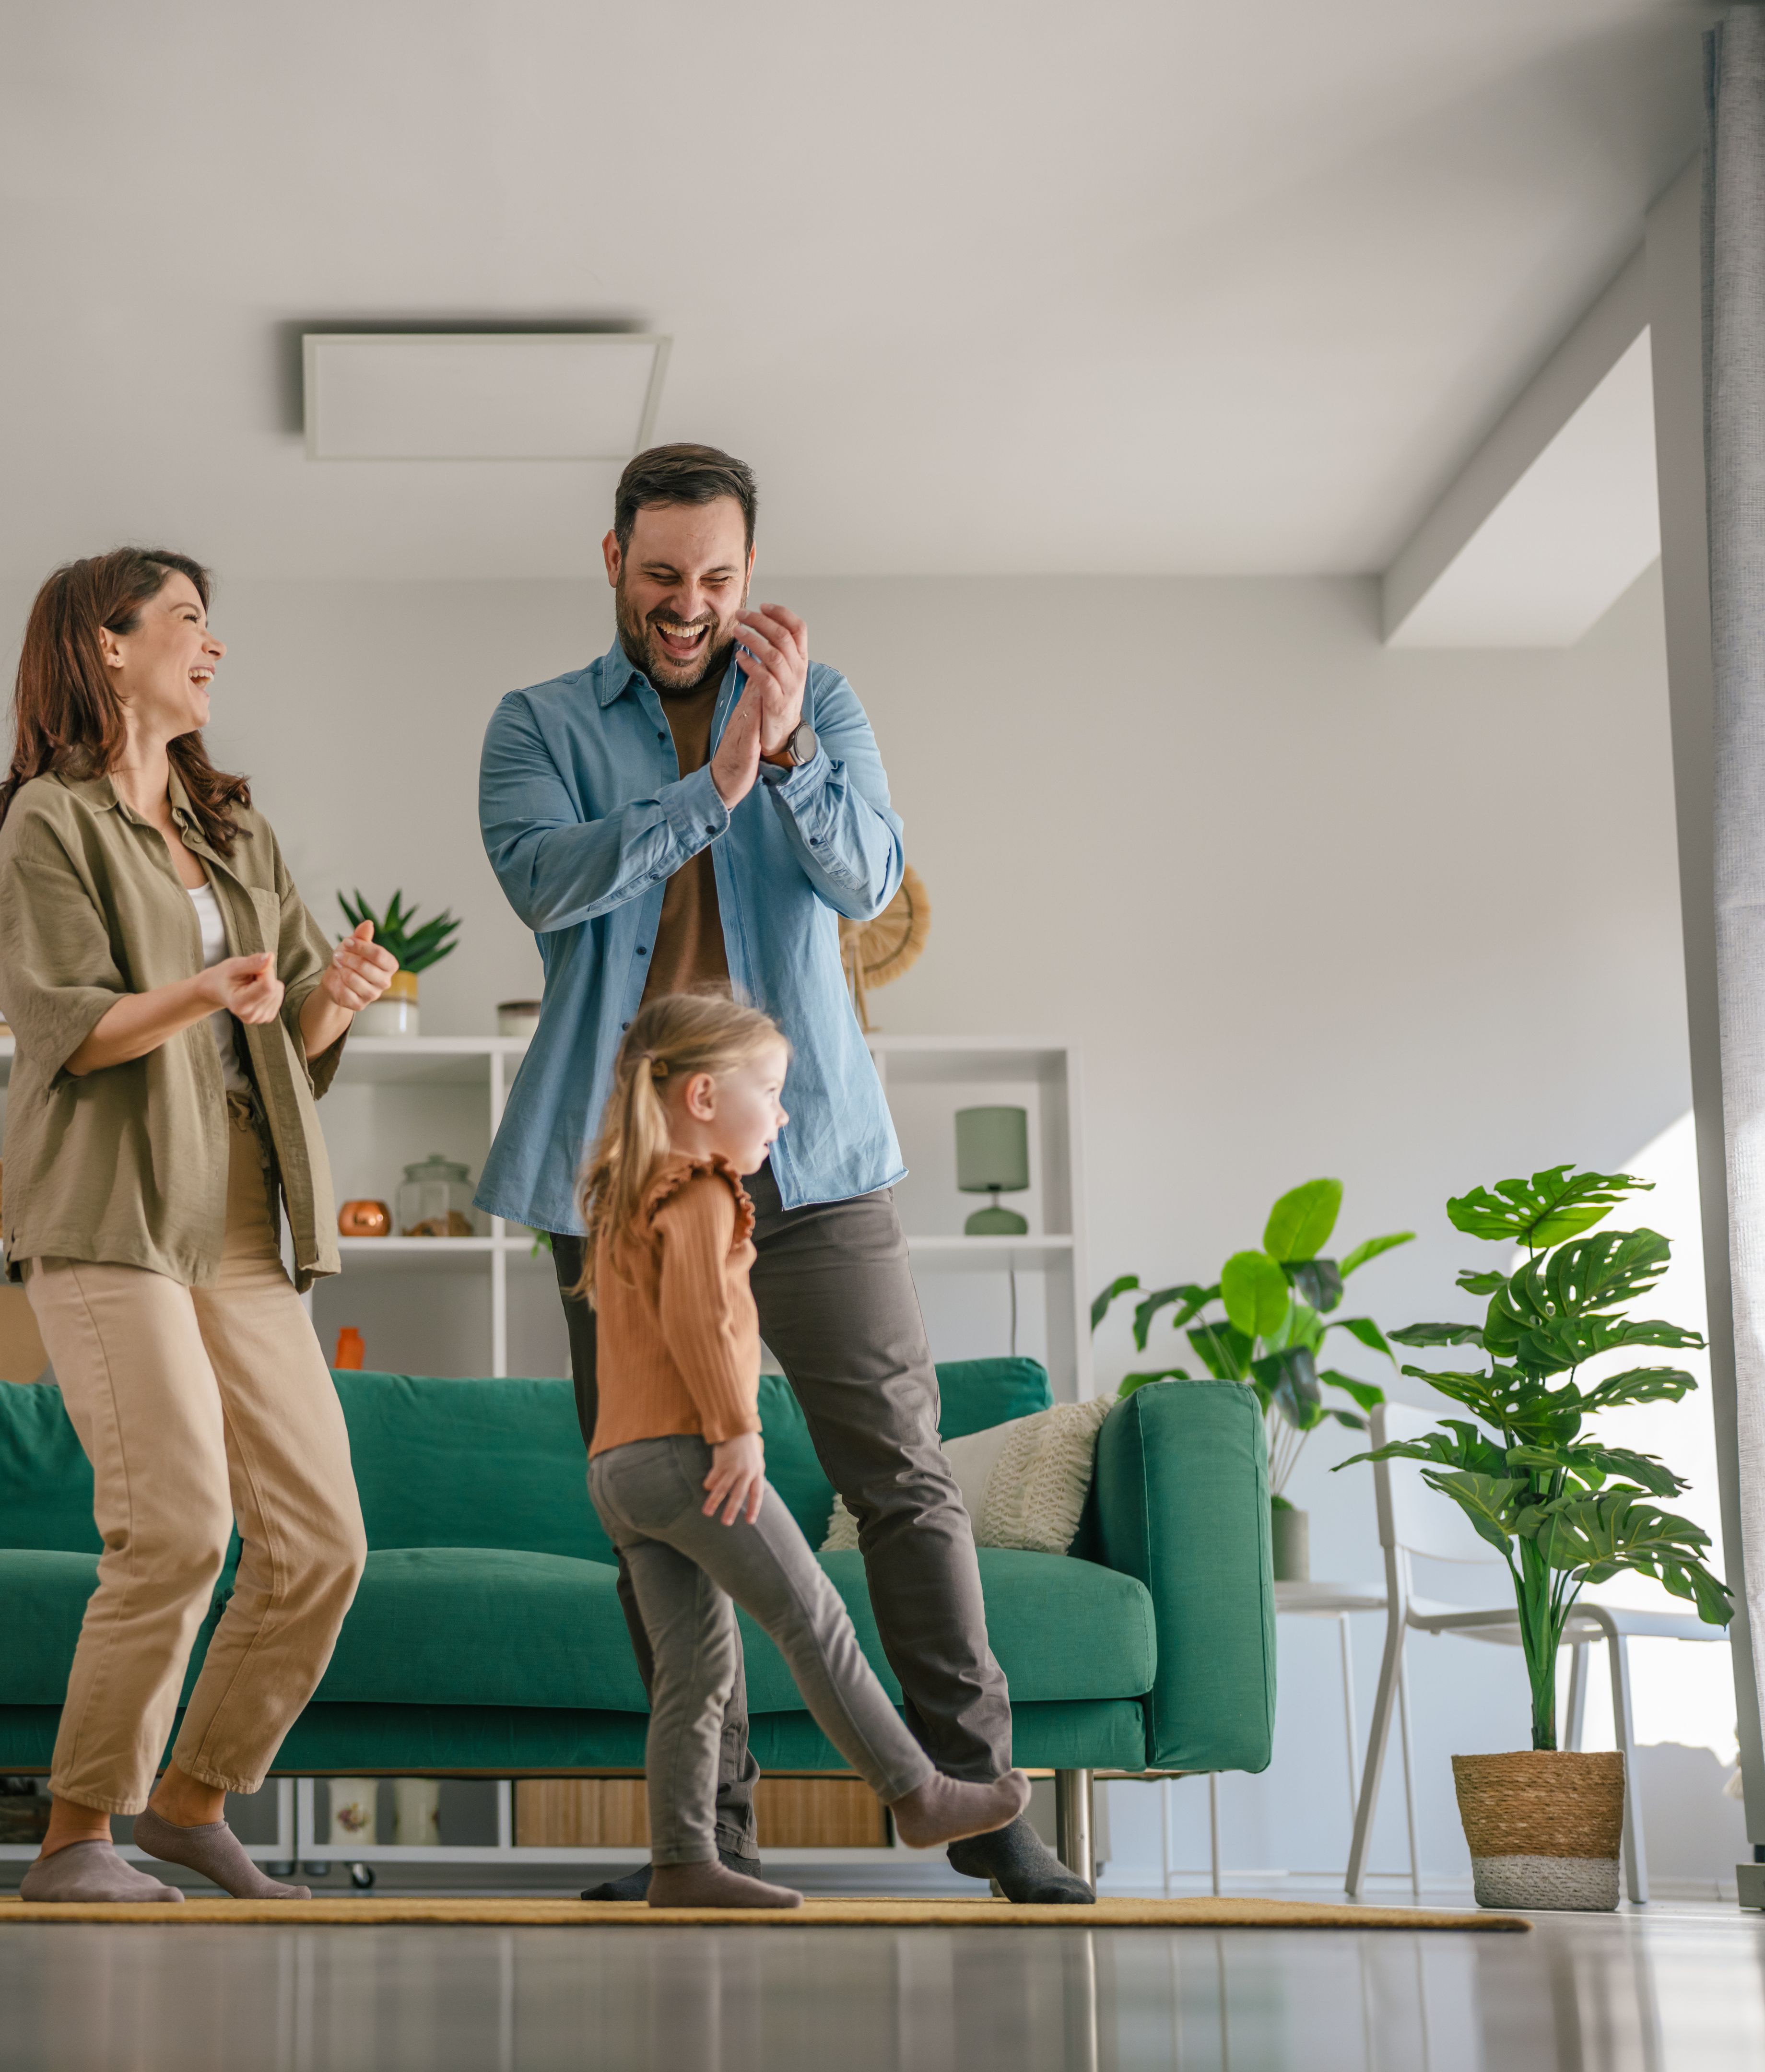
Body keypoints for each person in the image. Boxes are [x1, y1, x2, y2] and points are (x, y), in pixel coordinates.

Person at [475, 444, 1093, 1904]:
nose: (688, 607)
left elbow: (869, 883)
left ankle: (988, 1811)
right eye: (661, 575)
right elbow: (546, 882)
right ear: (611, 559)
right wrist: (711, 789)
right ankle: (708, 1842)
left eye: (717, 579)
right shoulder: (542, 724)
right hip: (619, 1186)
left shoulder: (828, 707)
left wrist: (791, 749)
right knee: (659, 1505)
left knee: (903, 1475)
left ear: (752, 576)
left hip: (806, 1161)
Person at [0, 546, 399, 1904]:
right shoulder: (53, 823)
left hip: (247, 1224)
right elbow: (68, 1029)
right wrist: (207, 988)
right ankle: (76, 1839)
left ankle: (191, 1802)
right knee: (176, 1528)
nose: (212, 649)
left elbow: (292, 1048)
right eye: (188, 623)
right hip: (110, 1214)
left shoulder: (237, 834)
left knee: (324, 1539)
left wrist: (336, 993)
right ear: (107, 645)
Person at [575, 989, 1029, 1907]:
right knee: (810, 1618)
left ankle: (684, 1862)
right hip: (686, 1456)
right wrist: (736, 1434)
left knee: (694, 1675)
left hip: (617, 1472)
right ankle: (920, 1793)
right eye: (772, 1090)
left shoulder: (620, 1191)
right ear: (703, 1099)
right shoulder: (701, 1188)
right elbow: (702, 1318)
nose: (785, 1114)